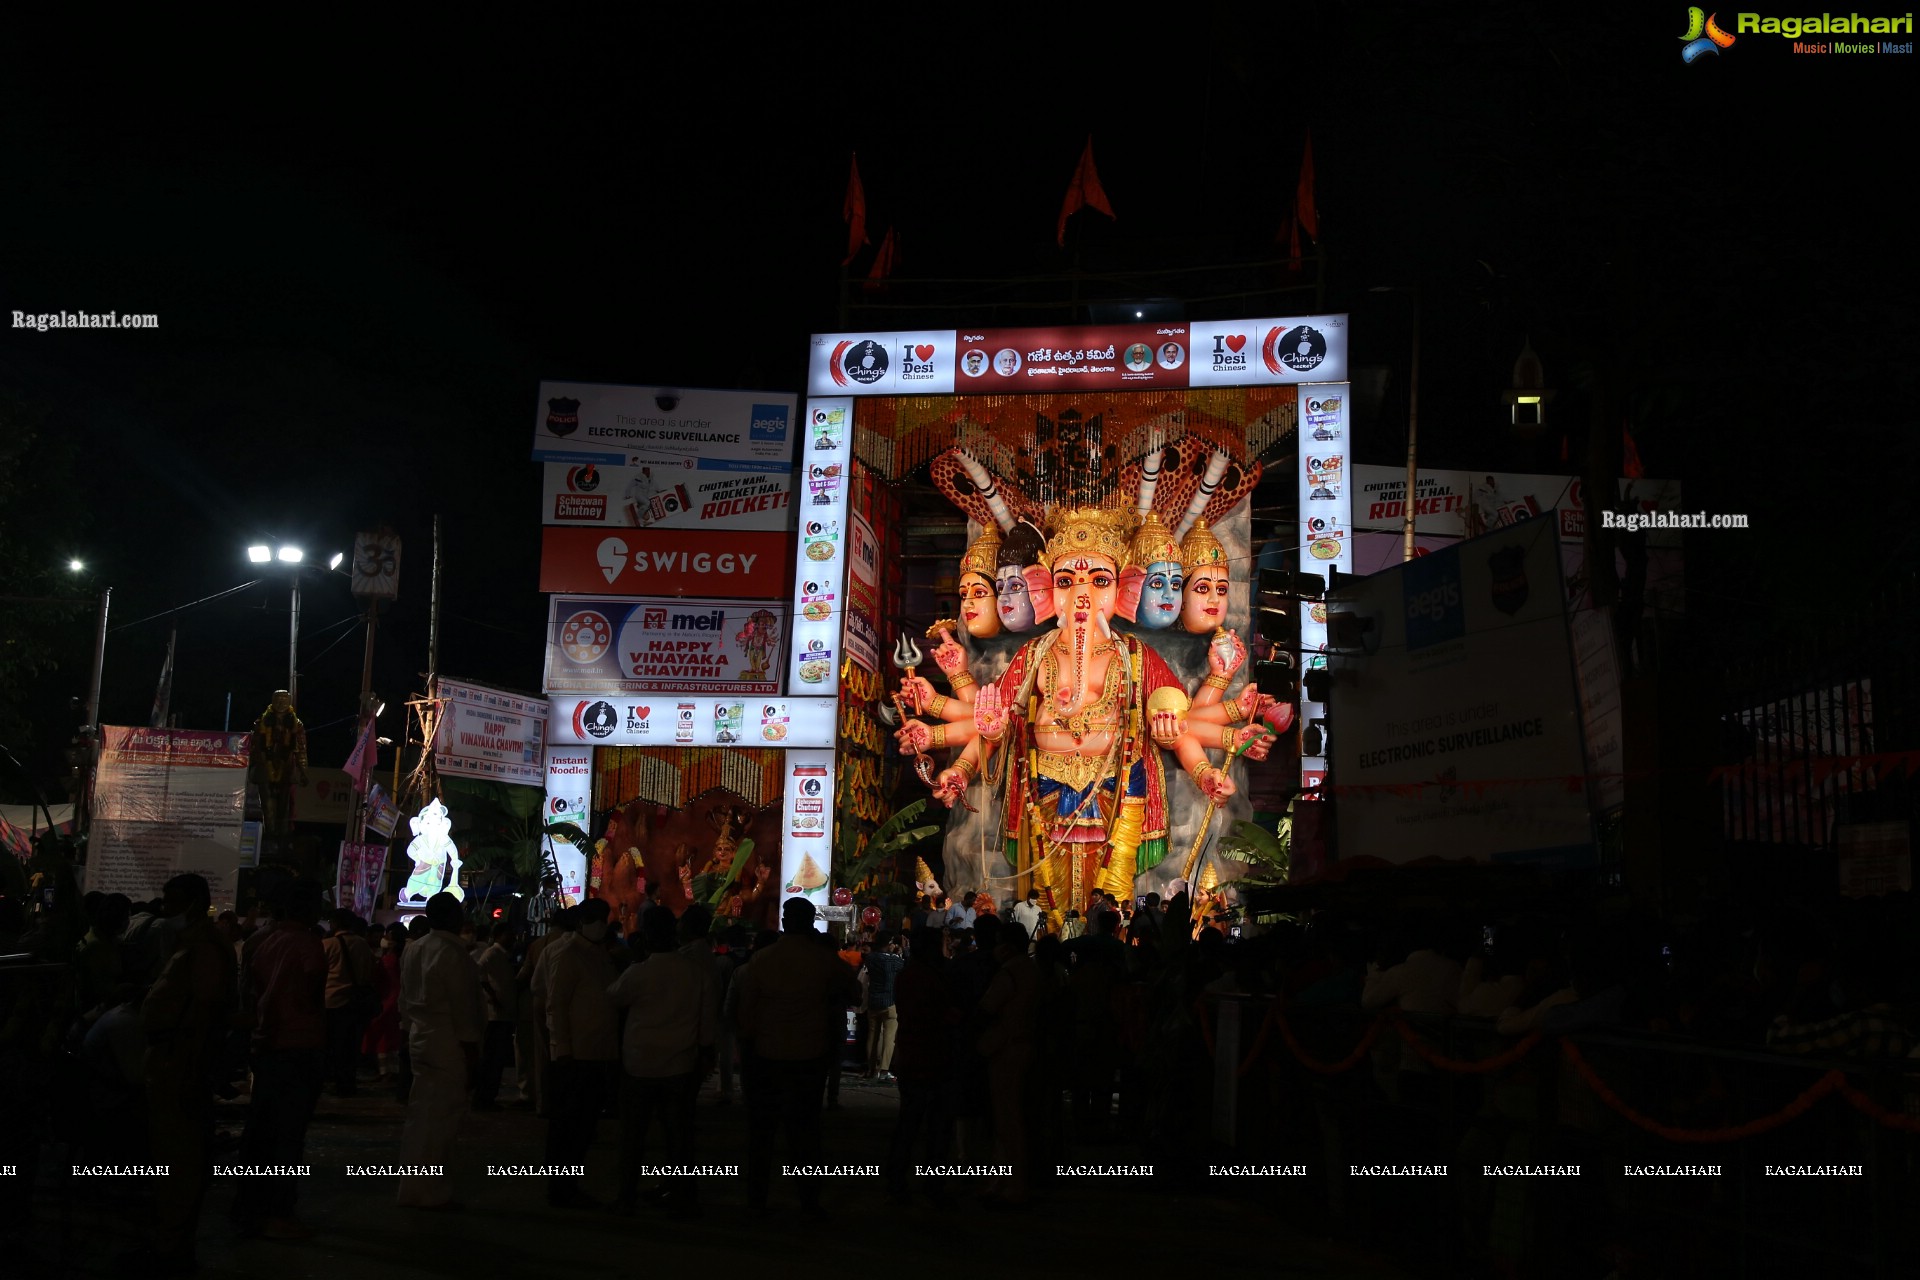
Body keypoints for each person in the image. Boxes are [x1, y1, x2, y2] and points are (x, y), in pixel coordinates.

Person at [735, 897, 860, 1211]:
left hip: (766, 1055)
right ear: (810, 923)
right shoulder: (824, 960)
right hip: (809, 1057)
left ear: (784, 921)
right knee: (805, 1134)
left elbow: (746, 1013)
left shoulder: (761, 959)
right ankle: (808, 1199)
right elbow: (854, 991)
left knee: (762, 1133)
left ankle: (756, 1199)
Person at [138, 874, 236, 1275]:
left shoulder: (204, 948)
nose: (166, 909)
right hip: (174, 1062)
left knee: (179, 1163)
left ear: (194, 903)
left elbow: (203, 1015)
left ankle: (172, 1250)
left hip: (181, 1065)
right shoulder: (192, 943)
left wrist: (193, 1072)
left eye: (172, 901)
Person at [608, 905, 717, 1217]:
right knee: (679, 1136)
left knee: (633, 1136)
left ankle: (626, 1194)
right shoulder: (694, 972)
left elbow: (613, 996)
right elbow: (706, 1020)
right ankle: (682, 1193)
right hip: (680, 1065)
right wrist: (705, 1052)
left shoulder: (639, 972)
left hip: (639, 1064)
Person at [233, 881, 327, 1240]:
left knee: (260, 1132)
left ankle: (247, 1205)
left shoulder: (261, 941)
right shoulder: (307, 943)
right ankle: (279, 1212)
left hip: (265, 1043)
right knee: (289, 1137)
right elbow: (311, 992)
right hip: (299, 1045)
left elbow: (250, 991)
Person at [394, 893, 483, 1208]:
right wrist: (471, 1054)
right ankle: (431, 1190)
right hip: (447, 1042)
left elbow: (404, 1001)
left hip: (419, 1037)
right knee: (442, 1119)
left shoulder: (415, 949)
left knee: (421, 1115)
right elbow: (465, 1012)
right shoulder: (454, 955)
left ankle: (413, 1186)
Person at [539, 897, 619, 1208]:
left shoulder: (600, 954)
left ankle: (569, 1183)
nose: (599, 924)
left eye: (603, 918)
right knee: (568, 1125)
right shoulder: (568, 953)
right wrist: (563, 1049)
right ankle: (560, 1186)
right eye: (594, 918)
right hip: (575, 1055)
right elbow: (555, 1005)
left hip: (598, 1052)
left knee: (584, 1125)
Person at [978, 919, 1037, 1204]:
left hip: (1008, 1047)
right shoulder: (1033, 969)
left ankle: (1014, 1181)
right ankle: (1002, 1178)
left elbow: (988, 1006)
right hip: (1026, 1044)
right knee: (1014, 1116)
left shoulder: (1010, 972)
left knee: (1007, 1118)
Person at [321, 909, 376, 1095]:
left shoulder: (327, 945)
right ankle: (347, 1082)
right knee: (351, 1046)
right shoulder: (363, 945)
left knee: (330, 1045)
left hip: (332, 1001)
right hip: (356, 1003)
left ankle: (331, 1080)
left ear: (335, 923)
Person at [472, 921, 519, 1108]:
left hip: (504, 1014)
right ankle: (484, 1097)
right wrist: (492, 996)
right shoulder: (492, 953)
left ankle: (488, 1096)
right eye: (510, 934)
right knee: (492, 1057)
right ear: (500, 935)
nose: (514, 938)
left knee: (496, 1058)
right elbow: (479, 974)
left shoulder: (504, 955)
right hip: (495, 1015)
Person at [363, 923, 406, 1083]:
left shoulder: (389, 958)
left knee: (383, 1035)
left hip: (388, 998)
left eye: (387, 937)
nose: (384, 939)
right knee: (390, 1036)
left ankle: (386, 1071)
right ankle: (390, 1071)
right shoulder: (401, 955)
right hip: (394, 998)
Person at [863, 931, 904, 1081]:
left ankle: (871, 1068)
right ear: (889, 944)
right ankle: (884, 1070)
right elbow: (903, 965)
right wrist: (897, 953)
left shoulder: (871, 958)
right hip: (890, 1001)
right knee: (889, 1037)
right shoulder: (893, 960)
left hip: (874, 1000)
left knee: (873, 1036)